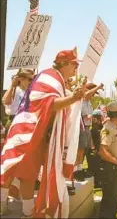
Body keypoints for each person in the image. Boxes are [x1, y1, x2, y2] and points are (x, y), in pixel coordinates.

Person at [1, 48, 85, 217]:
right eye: (74, 64)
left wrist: (81, 95)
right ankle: (10, 206)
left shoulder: (57, 80)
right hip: (26, 133)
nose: (76, 68)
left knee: (27, 174)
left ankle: (25, 209)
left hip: (38, 134)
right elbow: (50, 104)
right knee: (13, 170)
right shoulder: (48, 78)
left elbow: (63, 102)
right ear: (64, 63)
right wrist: (74, 97)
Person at [98, 101, 117, 218]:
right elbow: (103, 151)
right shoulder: (108, 129)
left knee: (114, 198)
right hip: (111, 168)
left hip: (115, 167)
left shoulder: (114, 127)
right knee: (109, 199)